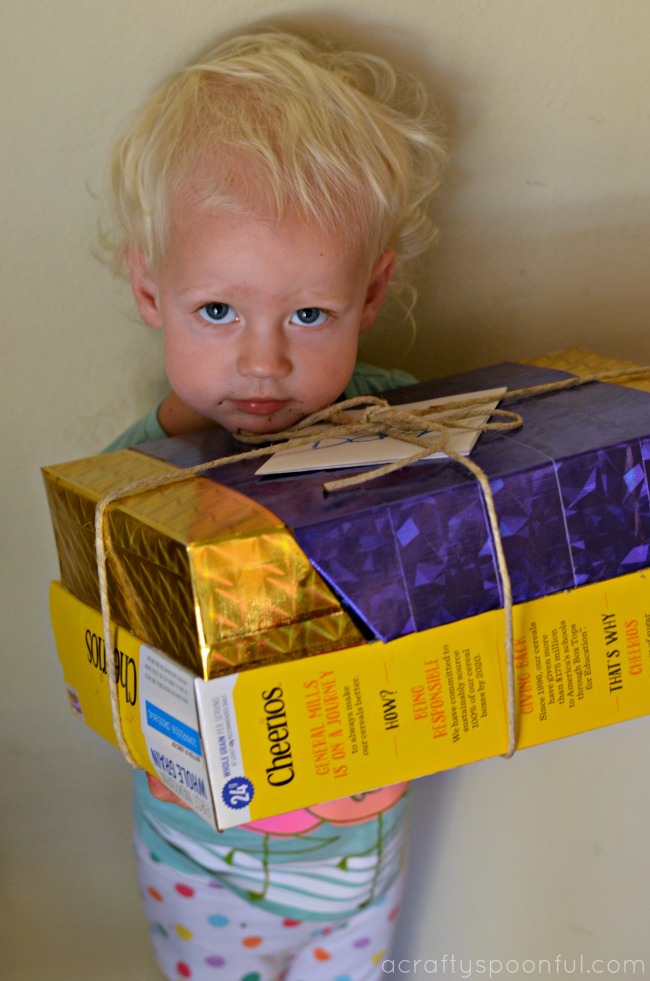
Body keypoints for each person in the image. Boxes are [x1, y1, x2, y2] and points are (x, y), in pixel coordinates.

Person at [101, 27, 446, 981]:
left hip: (367, 855)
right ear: (148, 288)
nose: (264, 362)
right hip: (211, 871)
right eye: (218, 311)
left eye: (308, 313)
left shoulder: (405, 431)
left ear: (370, 292)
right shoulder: (135, 484)